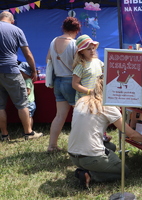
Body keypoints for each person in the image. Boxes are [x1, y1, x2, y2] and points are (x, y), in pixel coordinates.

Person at [68, 75, 142, 188]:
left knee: (110, 146)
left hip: (73, 154)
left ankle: (84, 169)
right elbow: (131, 134)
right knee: (124, 172)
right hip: (91, 157)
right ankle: (90, 175)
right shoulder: (108, 106)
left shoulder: (81, 101)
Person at [0, 11, 42, 141]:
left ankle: (4, 134)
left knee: (0, 106)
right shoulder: (16, 30)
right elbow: (27, 53)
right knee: (22, 103)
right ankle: (28, 133)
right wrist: (33, 71)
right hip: (11, 70)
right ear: (12, 21)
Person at [46, 17, 81, 152]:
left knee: (59, 116)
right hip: (70, 82)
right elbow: (78, 64)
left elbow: (48, 59)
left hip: (57, 81)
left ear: (63, 28)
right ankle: (78, 147)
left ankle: (52, 145)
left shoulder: (53, 41)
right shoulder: (74, 44)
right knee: (80, 115)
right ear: (77, 30)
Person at [72, 34, 104, 102]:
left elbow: (108, 70)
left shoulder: (98, 62)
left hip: (98, 97)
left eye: (93, 48)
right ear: (82, 51)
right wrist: (89, 91)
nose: (92, 51)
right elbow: (75, 84)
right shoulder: (80, 66)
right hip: (86, 100)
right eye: (88, 49)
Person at [17, 61, 37, 129]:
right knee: (28, 116)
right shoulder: (26, 80)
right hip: (29, 102)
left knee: (28, 116)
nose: (19, 74)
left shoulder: (27, 81)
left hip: (29, 103)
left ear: (26, 73)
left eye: (21, 72)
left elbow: (28, 92)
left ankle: (29, 129)